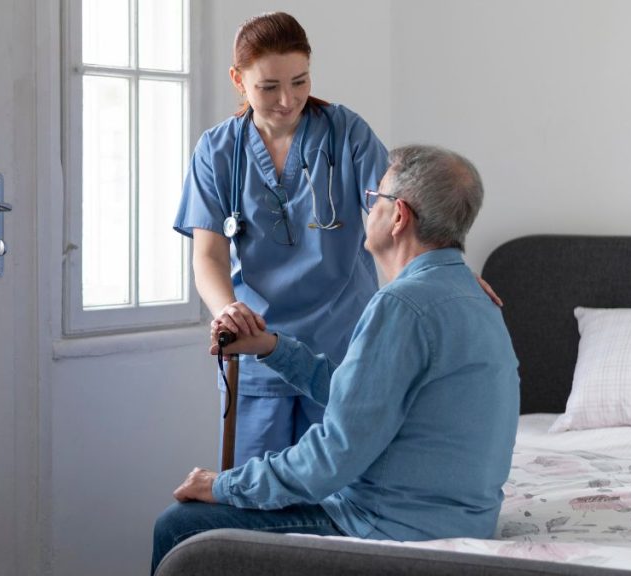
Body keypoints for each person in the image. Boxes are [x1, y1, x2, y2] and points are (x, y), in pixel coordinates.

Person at [152, 145, 521, 573]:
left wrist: (224, 485)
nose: (369, 209)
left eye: (375, 198)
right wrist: (272, 348)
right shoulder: (477, 298)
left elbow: (332, 458)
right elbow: (363, 398)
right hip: (461, 521)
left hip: (392, 528)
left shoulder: (402, 305)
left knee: (178, 526)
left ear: (398, 216)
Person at [173, 12, 391, 466]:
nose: (288, 100)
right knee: (254, 492)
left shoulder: (347, 133)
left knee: (337, 491)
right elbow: (208, 256)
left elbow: (396, 221)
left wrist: (444, 271)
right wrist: (226, 309)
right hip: (256, 346)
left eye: (300, 81)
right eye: (269, 87)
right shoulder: (217, 151)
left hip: (340, 347)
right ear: (238, 80)